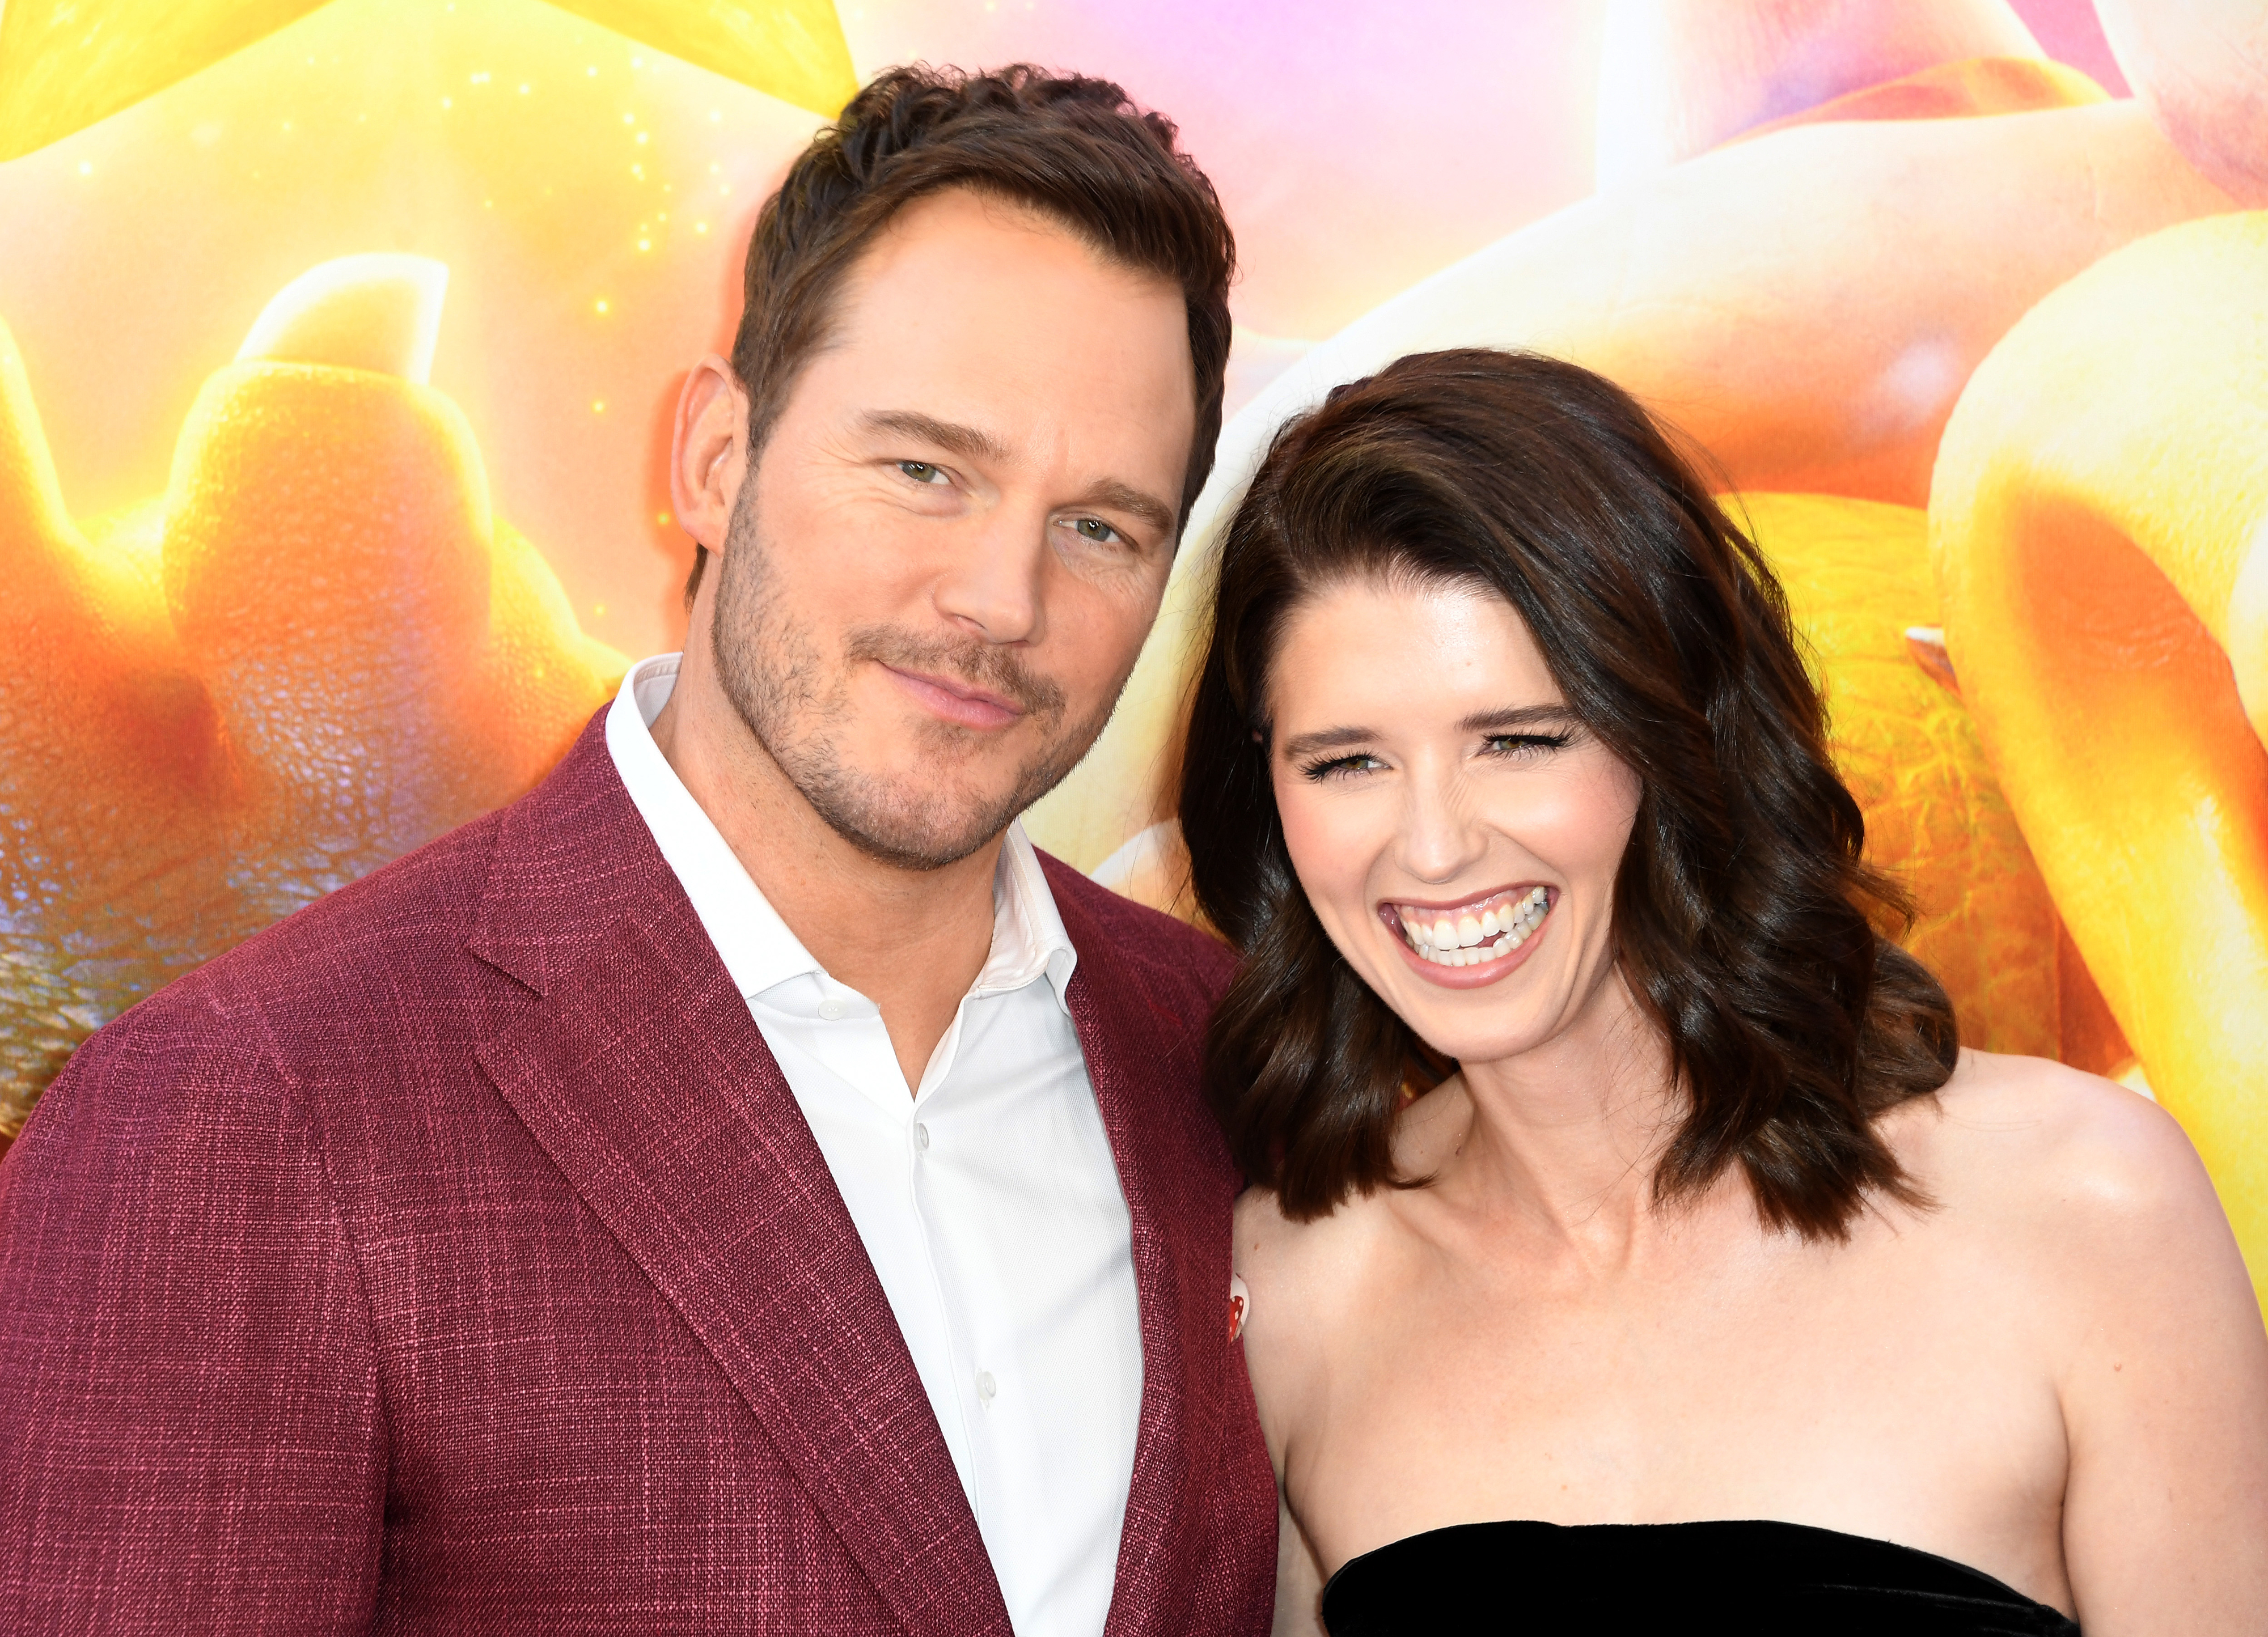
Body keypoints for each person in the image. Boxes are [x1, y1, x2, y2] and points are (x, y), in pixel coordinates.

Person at [0, 66, 1277, 1634]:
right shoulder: (247, 1106)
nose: (999, 600)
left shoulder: (1222, 1052)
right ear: (715, 461)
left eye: (1102, 525)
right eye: (926, 468)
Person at [1178, 349, 2268, 1634]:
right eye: (1347, 761)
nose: (1429, 847)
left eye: (1517, 740)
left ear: (1675, 731)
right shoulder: (1297, 1290)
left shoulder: (2082, 1200)